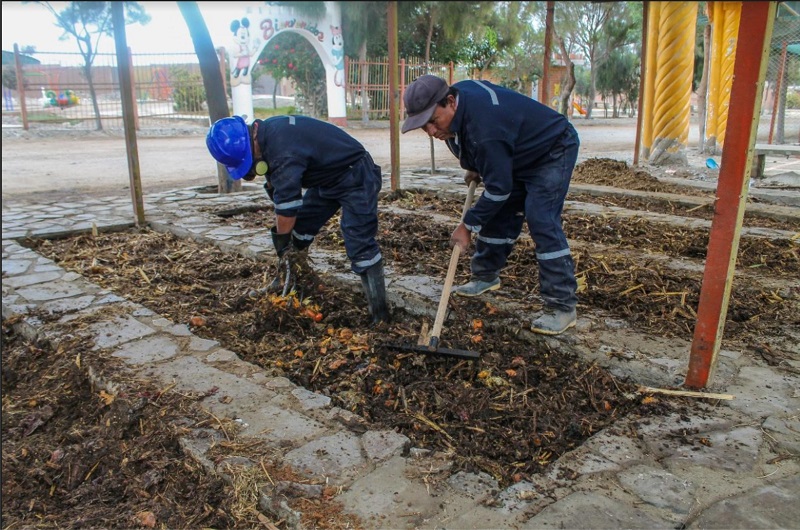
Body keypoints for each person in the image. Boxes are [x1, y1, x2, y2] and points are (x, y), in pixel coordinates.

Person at [401, 75, 579, 335]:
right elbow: (477, 152)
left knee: (541, 217)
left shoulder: (486, 127)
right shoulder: (456, 115)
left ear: (450, 102)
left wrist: (468, 225)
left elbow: (499, 187)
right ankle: (485, 277)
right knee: (500, 213)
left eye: (432, 121)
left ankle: (562, 306)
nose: (430, 131)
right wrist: (476, 166)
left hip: (551, 149)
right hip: (515, 151)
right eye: (423, 126)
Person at [206, 114, 389, 324]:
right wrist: (288, 241)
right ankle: (291, 280)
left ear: (250, 141)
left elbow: (287, 208)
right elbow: (280, 187)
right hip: (327, 179)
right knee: (299, 230)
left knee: (358, 242)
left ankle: (380, 314)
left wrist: (282, 244)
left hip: (356, 175)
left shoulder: (282, 149)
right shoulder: (266, 134)